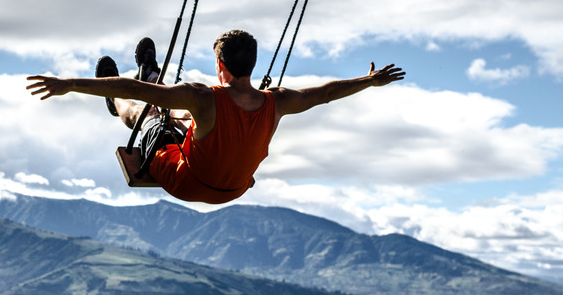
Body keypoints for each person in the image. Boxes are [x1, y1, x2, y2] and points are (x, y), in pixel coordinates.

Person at [26, 30, 405, 204]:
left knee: (147, 113)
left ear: (219, 65)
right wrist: (369, 81)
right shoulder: (278, 101)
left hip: (188, 182)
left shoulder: (204, 96)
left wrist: (68, 84)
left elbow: (137, 93)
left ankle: (110, 99)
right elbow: (324, 94)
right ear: (251, 65)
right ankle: (153, 74)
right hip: (234, 189)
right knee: (183, 116)